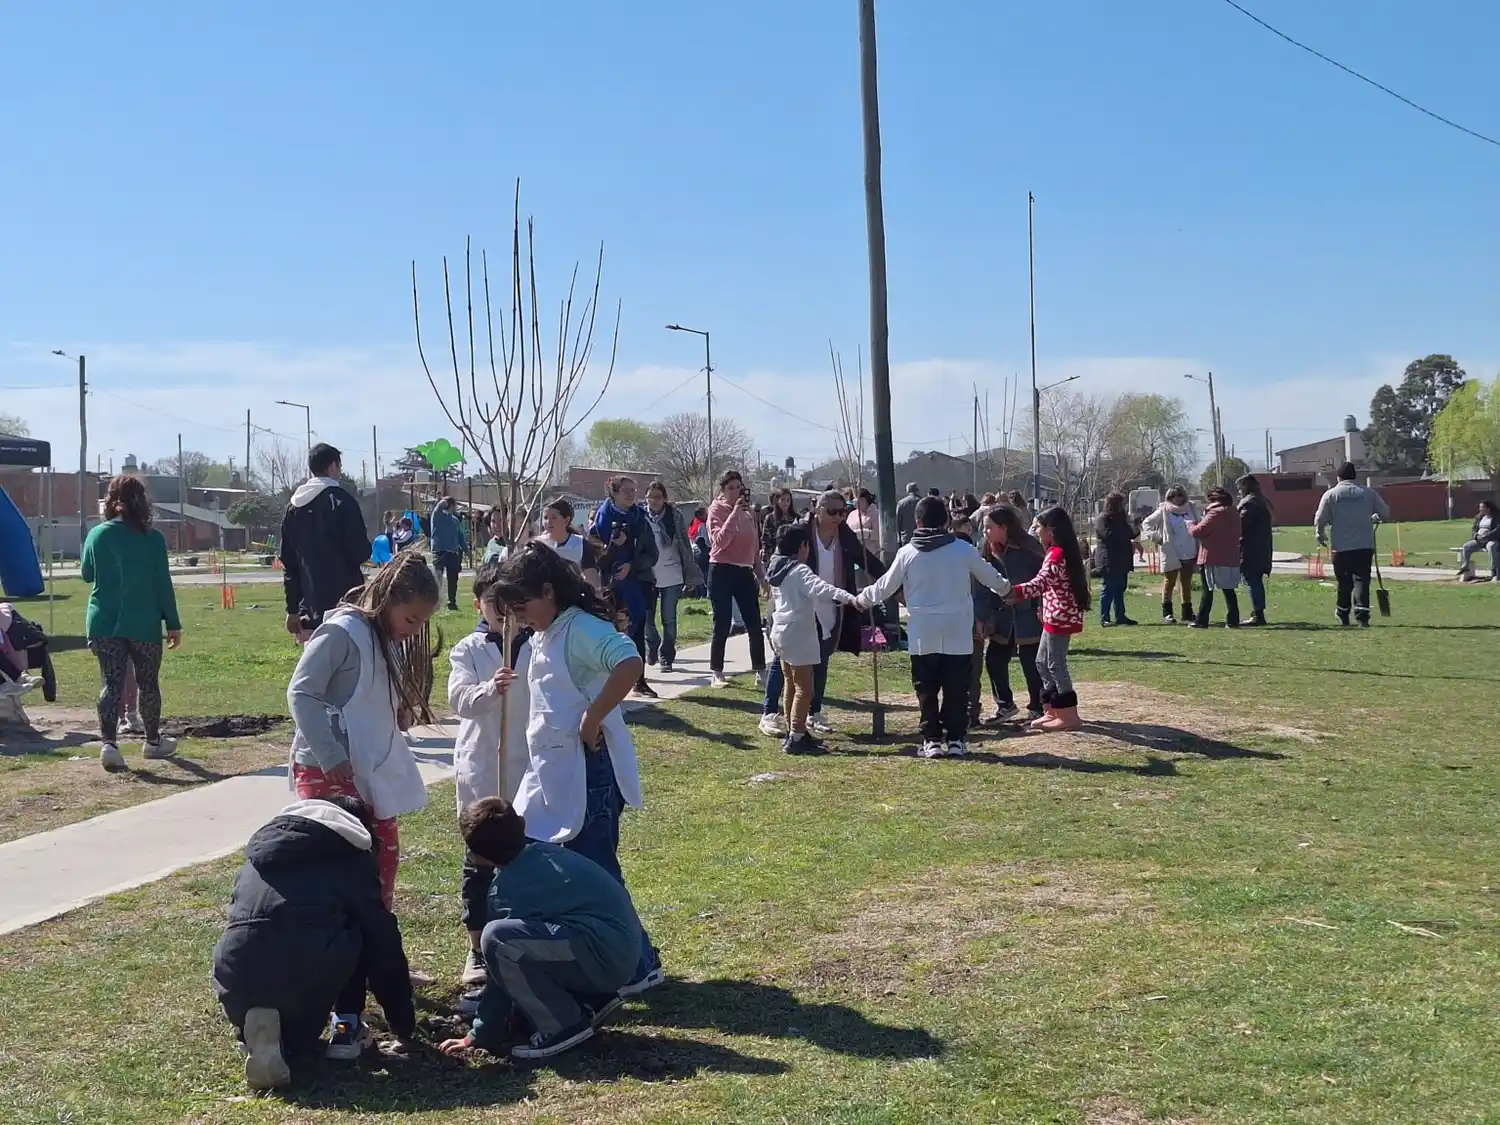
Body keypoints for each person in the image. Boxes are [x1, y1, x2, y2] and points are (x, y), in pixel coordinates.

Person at [486, 543, 663, 995]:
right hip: (555, 771)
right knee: (576, 865)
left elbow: (628, 661)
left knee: (598, 869)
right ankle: (622, 958)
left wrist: (593, 717)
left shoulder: (580, 628)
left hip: (591, 770)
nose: (520, 617)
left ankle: (638, 963)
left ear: (549, 591)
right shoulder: (546, 632)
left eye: (524, 606)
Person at [212, 796, 416, 1090]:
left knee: (297, 1042)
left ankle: (263, 1037)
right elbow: (382, 943)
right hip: (307, 972)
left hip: (235, 971)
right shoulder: (348, 856)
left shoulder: (258, 855)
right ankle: (347, 1028)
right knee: (359, 925)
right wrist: (402, 1023)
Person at [286, 551, 438, 909]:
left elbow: (370, 694)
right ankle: (335, 955)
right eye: (411, 619)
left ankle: (376, 951)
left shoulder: (388, 640)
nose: (414, 630)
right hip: (327, 768)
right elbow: (302, 692)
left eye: (421, 624)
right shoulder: (341, 633)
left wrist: (398, 712)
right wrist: (330, 754)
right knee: (337, 866)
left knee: (382, 860)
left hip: (369, 769)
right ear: (388, 598)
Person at [438, 798, 645, 1061]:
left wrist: (480, 1034)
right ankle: (592, 1000)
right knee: (533, 940)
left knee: (498, 940)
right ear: (522, 825)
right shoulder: (547, 855)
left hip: (605, 960)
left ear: (478, 856)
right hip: (621, 953)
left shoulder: (506, 892)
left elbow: (501, 970)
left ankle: (562, 1025)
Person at [854, 497, 1012, 757]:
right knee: (956, 687)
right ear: (947, 521)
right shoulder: (962, 549)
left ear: (917, 521)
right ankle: (957, 739)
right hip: (957, 630)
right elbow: (991, 578)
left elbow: (885, 586)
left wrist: (861, 600)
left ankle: (931, 739)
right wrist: (1008, 589)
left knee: (926, 687)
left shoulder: (907, 552)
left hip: (922, 632)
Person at [447, 561, 532, 987]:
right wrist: (487, 690)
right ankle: (477, 947)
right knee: (480, 857)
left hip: (526, 766)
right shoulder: (469, 649)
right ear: (478, 604)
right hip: (483, 765)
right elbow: (458, 699)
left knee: (524, 852)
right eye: (491, 603)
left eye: (508, 603)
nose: (501, 613)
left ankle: (522, 935)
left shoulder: (535, 643)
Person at [757, 490, 887, 738]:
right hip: (798, 609)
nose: (838, 517)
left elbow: (864, 557)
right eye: (832, 512)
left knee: (822, 657)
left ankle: (813, 713)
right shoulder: (799, 532)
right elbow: (777, 562)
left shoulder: (843, 534)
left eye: (843, 512)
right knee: (784, 664)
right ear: (818, 510)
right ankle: (770, 714)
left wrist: (891, 583)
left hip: (829, 606)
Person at [81, 474, 182, 772]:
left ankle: (109, 745)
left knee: (111, 683)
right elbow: (163, 584)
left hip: (104, 622)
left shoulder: (98, 534)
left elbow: (87, 574)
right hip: (144, 623)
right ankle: (152, 742)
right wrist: (173, 624)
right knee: (148, 682)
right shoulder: (153, 539)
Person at [766, 524, 859, 755]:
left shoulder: (777, 567)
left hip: (780, 631)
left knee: (790, 683)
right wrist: (849, 598)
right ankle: (796, 738)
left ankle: (793, 731)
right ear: (803, 547)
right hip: (798, 633)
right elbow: (822, 589)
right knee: (805, 689)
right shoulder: (799, 570)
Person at [279, 443, 371, 641]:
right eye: (339, 466)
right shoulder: (342, 500)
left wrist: (292, 609)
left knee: (315, 663)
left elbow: (289, 563)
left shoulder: (293, 508)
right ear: (332, 466)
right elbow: (361, 551)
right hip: (346, 601)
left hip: (310, 605)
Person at [1009, 506, 1089, 732]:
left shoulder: (1057, 555)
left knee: (1055, 664)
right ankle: (1052, 710)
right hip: (1054, 615)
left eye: (1039, 527)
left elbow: (1040, 583)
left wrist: (1011, 591)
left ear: (1050, 530)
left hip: (1060, 616)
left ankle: (1069, 714)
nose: (1035, 531)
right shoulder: (1056, 552)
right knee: (1041, 662)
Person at [972, 505, 1045, 724]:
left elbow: (1044, 580)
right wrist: (982, 616)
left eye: (988, 527)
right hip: (1002, 616)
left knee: (1031, 662)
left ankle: (1038, 707)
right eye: (984, 528)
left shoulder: (1030, 547)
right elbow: (982, 584)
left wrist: (1041, 606)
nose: (985, 532)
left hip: (1029, 615)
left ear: (1003, 527)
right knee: (994, 660)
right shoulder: (986, 548)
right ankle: (1005, 705)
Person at [592, 476, 660, 697]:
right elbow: (595, 559)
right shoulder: (601, 521)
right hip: (610, 587)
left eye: (634, 490)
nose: (631, 495)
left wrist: (632, 565)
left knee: (637, 631)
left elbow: (653, 554)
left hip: (637, 584)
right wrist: (614, 546)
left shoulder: (641, 519)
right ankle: (608, 686)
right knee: (611, 633)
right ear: (614, 493)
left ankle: (639, 681)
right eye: (626, 491)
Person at [706, 470, 769, 688]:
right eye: (730, 488)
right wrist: (733, 514)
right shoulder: (716, 509)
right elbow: (719, 542)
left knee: (753, 622)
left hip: (743, 571)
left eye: (738, 486)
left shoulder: (749, 512)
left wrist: (761, 577)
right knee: (722, 621)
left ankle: (760, 670)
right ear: (723, 491)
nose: (736, 491)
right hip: (721, 569)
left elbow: (754, 548)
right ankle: (717, 671)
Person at [1314, 462, 1390, 627]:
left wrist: (1320, 533)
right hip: (1364, 545)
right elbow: (1385, 512)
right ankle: (1362, 616)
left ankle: (1343, 612)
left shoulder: (1331, 494)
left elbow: (1320, 517)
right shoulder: (1368, 493)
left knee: (1344, 581)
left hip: (1341, 546)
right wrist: (1375, 517)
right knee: (1362, 579)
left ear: (1338, 477)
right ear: (1355, 476)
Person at [643, 481, 703, 674]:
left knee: (669, 618)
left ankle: (666, 655)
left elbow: (685, 544)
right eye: (650, 497)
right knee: (647, 619)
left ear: (664, 498)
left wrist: (690, 573)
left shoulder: (674, 516)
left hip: (672, 573)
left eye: (658, 497)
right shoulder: (641, 516)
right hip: (648, 574)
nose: (654, 501)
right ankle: (652, 642)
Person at [1141, 486, 1200, 624]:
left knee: (1186, 582)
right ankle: (1167, 613)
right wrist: (1157, 537)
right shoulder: (1164, 510)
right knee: (1170, 582)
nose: (1176, 498)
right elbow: (1146, 523)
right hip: (1171, 550)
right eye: (1173, 496)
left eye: (1179, 495)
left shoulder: (1190, 508)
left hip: (1189, 549)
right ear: (1169, 497)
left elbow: (1200, 523)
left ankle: (1187, 612)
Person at [1189, 487, 1244, 628]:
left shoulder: (1214, 513)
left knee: (1207, 589)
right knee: (1228, 589)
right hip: (1230, 554)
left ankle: (1202, 619)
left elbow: (1199, 531)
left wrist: (1191, 525)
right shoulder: (1234, 512)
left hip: (1212, 555)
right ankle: (1233, 620)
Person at [1093, 491, 1141, 627]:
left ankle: (1121, 616)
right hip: (1108, 559)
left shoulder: (1122, 518)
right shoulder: (1102, 519)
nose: (1122, 506)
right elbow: (1108, 535)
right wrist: (1125, 532)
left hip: (1122, 559)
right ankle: (1105, 617)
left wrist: (1136, 525)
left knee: (1120, 589)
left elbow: (1131, 534)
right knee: (1108, 589)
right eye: (1120, 503)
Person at [1236, 475, 1274, 625]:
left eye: (1240, 488)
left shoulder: (1250, 504)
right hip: (1262, 546)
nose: (1239, 492)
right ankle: (1258, 612)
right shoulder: (1262, 501)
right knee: (1255, 579)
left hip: (1251, 548)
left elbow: (1242, 525)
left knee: (1251, 579)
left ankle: (1258, 614)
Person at [430, 496, 468, 611]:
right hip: (439, 550)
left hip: (453, 552)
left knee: (453, 579)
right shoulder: (437, 515)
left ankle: (451, 602)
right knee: (437, 578)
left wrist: (466, 549)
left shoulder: (455, 520)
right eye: (453, 505)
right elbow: (438, 506)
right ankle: (435, 603)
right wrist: (445, 501)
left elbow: (460, 536)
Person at [1457, 499, 1499, 582]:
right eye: (1480, 507)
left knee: (1492, 546)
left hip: (1491, 539)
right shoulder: (1479, 517)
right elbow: (1474, 529)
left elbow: (1497, 529)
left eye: (1482, 507)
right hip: (1479, 539)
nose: (1480, 509)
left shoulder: (1497, 516)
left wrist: (1486, 536)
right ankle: (1465, 567)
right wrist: (1476, 536)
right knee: (1467, 546)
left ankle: (1494, 572)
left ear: (1488, 508)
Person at [760, 487, 799, 563]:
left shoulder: (796, 518)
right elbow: (766, 540)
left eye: (788, 500)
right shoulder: (770, 518)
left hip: (792, 559)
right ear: (777, 501)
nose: (786, 503)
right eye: (783, 500)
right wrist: (767, 558)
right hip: (774, 558)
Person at [846, 488, 880, 554]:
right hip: (854, 553)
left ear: (864, 500)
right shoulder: (852, 514)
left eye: (856, 501)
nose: (855, 504)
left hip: (871, 553)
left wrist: (862, 533)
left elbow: (878, 534)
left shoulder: (875, 513)